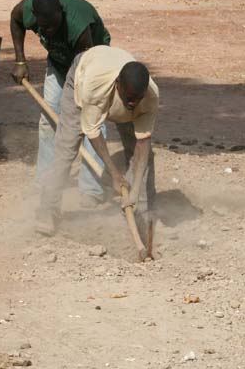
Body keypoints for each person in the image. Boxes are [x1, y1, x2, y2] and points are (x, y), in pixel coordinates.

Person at [36, 46, 158, 236]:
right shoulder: (95, 86)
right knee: (66, 149)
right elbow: (92, 132)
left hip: (114, 80)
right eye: (129, 98)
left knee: (143, 156)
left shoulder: (149, 96)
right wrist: (115, 175)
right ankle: (47, 210)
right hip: (83, 73)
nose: (133, 103)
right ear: (118, 84)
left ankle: (142, 213)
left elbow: (143, 143)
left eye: (137, 99)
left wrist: (134, 192)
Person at [9, 0, 111, 205]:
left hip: (92, 65)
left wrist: (73, 103)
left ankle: (90, 189)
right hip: (58, 62)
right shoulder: (26, 10)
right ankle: (46, 181)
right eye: (44, 27)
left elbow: (84, 69)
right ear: (35, 17)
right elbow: (15, 20)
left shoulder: (79, 24)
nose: (49, 30)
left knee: (92, 123)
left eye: (54, 25)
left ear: (61, 13)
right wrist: (20, 61)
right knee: (49, 118)